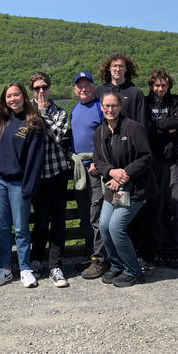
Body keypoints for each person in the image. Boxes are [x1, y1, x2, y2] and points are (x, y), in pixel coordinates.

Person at [93, 91, 156, 287]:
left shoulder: (132, 128)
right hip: (114, 188)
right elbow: (98, 160)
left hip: (135, 188)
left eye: (114, 106)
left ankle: (134, 271)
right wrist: (112, 172)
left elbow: (146, 157)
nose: (110, 109)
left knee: (116, 227)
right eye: (106, 106)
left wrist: (124, 174)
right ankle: (117, 265)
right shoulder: (100, 132)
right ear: (101, 108)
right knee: (103, 226)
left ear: (120, 107)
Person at [0, 82, 45, 288]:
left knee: (21, 228)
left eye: (16, 95)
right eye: (8, 96)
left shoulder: (33, 122)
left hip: (19, 183)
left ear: (24, 96)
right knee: (3, 228)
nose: (13, 99)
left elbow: (35, 159)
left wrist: (29, 186)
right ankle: (4, 268)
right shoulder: (2, 119)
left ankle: (25, 269)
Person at [28, 72, 71, 288]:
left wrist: (43, 112)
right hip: (36, 174)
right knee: (42, 219)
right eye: (37, 88)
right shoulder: (23, 111)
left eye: (44, 87)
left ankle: (56, 265)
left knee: (58, 219)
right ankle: (36, 261)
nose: (41, 91)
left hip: (57, 172)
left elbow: (57, 136)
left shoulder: (60, 112)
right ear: (31, 90)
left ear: (49, 87)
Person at [70, 71, 110, 280]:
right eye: (80, 86)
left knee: (97, 214)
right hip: (80, 169)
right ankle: (91, 254)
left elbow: (108, 136)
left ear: (93, 87)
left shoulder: (100, 108)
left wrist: (99, 162)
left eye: (87, 85)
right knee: (85, 215)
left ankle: (101, 260)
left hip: (96, 170)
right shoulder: (75, 110)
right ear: (75, 90)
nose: (83, 89)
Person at [144, 68, 178, 269]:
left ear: (168, 85)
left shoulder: (175, 101)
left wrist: (156, 124)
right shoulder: (145, 102)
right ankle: (157, 250)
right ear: (152, 85)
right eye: (157, 85)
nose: (160, 89)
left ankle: (173, 251)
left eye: (163, 85)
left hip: (172, 161)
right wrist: (163, 127)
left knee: (173, 206)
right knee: (155, 207)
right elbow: (145, 127)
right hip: (153, 163)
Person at [95, 53, 148, 130]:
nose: (118, 69)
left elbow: (142, 122)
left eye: (121, 66)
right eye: (115, 66)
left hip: (129, 137)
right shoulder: (99, 91)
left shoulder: (135, 92)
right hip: (106, 138)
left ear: (126, 68)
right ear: (109, 68)